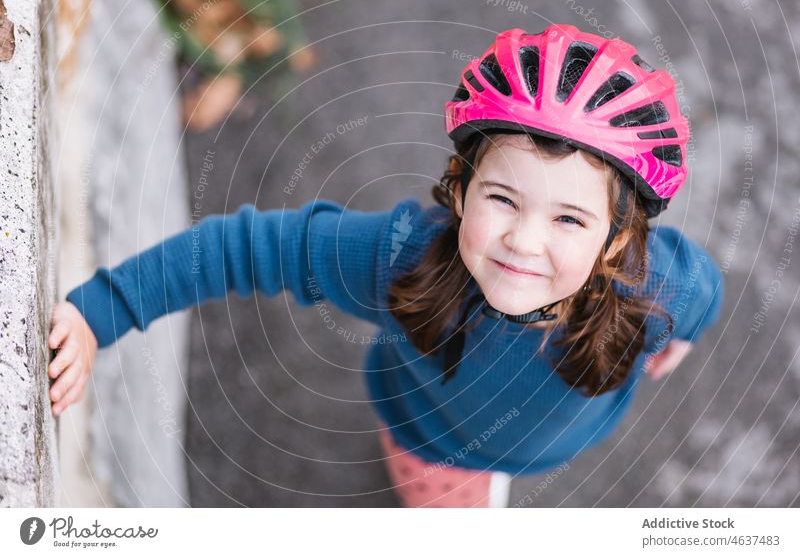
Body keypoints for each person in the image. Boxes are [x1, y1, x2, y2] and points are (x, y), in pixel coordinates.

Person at [46, 25, 724, 508]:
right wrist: (96, 312)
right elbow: (243, 249)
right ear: (460, 188)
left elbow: (703, 293)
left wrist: (684, 335)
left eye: (568, 219)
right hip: (431, 445)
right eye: (501, 199)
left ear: (616, 240)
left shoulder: (657, 286)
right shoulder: (404, 258)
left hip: (555, 440)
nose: (522, 241)